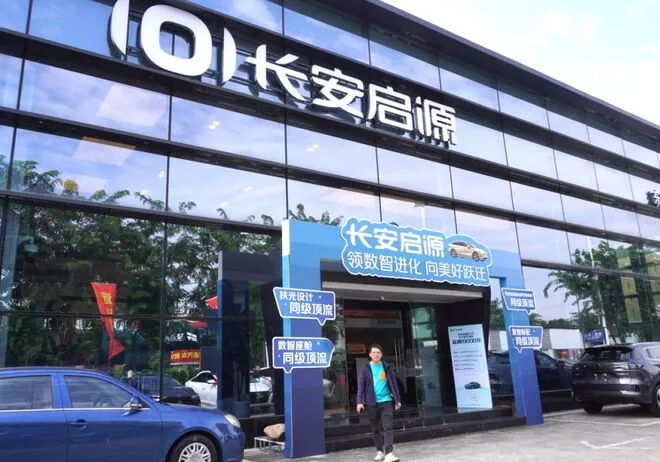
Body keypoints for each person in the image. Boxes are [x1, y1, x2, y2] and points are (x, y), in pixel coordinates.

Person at [356, 344, 402, 462]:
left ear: (381, 354)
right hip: (372, 403)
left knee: (388, 427)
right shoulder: (365, 368)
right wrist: (359, 401)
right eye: (374, 352)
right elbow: (361, 386)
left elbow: (393, 384)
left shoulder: (386, 367)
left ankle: (389, 453)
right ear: (370, 354)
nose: (376, 354)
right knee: (376, 429)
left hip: (386, 401)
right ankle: (380, 451)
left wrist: (397, 400)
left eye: (378, 352)